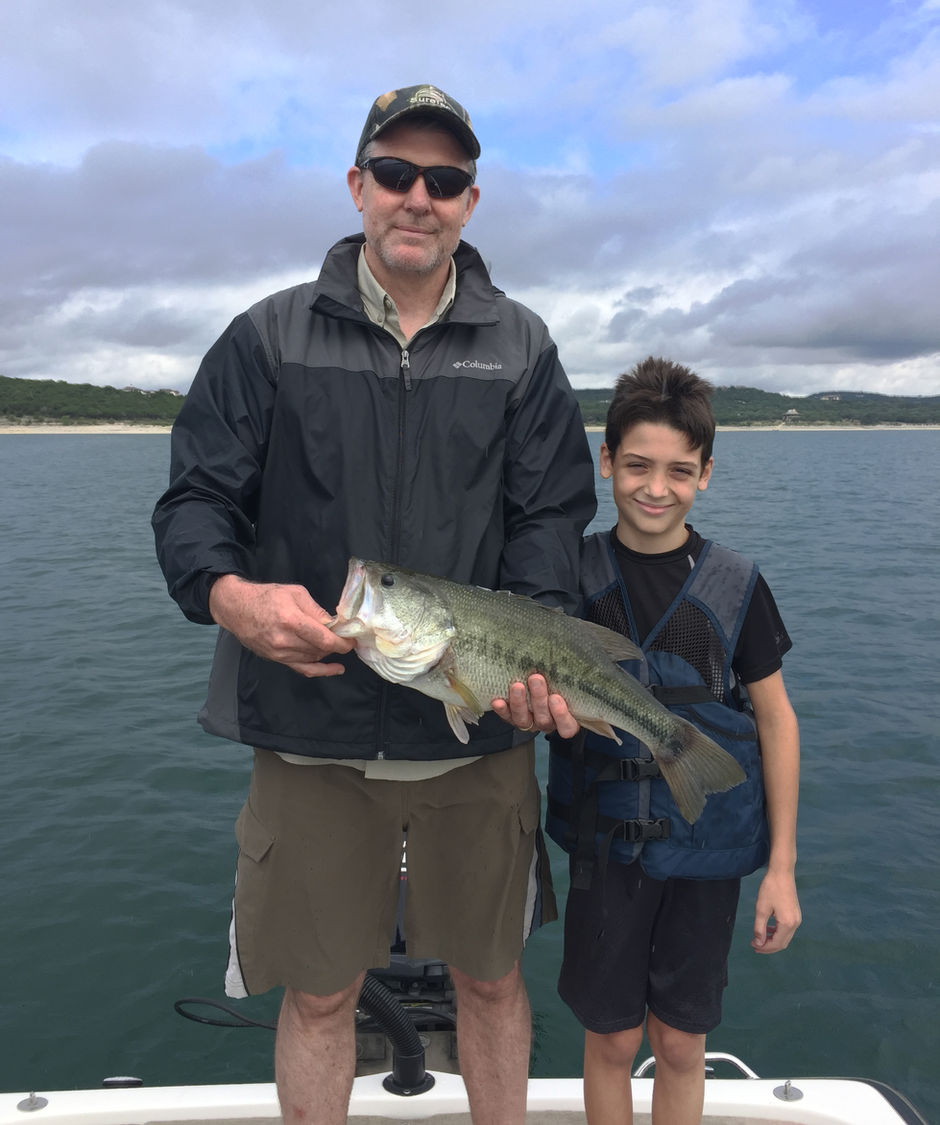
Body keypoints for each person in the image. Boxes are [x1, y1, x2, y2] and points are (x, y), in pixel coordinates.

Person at [151, 83, 595, 1125]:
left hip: (477, 739)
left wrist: (532, 649)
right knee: (318, 994)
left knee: (492, 980)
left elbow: (550, 517)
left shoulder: (522, 348)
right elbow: (196, 500)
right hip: (310, 733)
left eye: (443, 180)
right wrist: (230, 597)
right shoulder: (267, 336)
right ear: (357, 185)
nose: (417, 197)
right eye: (395, 173)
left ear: (470, 202)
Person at [497, 356, 801, 1125]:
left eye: (678, 470)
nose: (655, 487)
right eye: (637, 465)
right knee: (609, 1039)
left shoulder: (738, 583)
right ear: (606, 462)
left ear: (706, 474)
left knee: (680, 1043)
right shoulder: (571, 576)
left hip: (707, 855)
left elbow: (776, 719)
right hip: (607, 850)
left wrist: (782, 868)